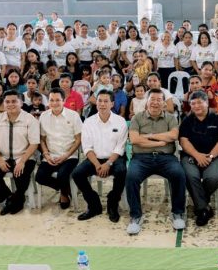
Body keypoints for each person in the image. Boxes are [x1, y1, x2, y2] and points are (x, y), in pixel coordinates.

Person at [125, 88, 186, 235]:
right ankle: (135, 216)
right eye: (153, 99)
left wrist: (148, 136)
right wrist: (158, 143)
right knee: (131, 177)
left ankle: (177, 213)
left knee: (178, 174)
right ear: (147, 101)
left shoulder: (171, 118)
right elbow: (134, 140)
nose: (155, 103)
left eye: (159, 100)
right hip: (141, 158)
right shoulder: (137, 118)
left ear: (164, 103)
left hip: (166, 158)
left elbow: (173, 136)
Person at [72, 89, 128, 222]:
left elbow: (120, 147)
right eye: (100, 101)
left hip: (114, 158)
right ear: (96, 103)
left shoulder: (120, 121)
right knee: (77, 174)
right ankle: (94, 205)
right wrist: (97, 164)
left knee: (122, 171)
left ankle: (112, 204)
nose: (102, 104)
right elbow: (87, 147)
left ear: (112, 104)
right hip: (94, 158)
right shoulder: (88, 122)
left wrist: (108, 163)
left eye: (106, 101)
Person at [0, 90, 41, 215]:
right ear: (3, 103)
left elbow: (34, 144)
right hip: (3, 157)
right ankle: (11, 198)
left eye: (14, 101)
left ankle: (15, 200)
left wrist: (22, 161)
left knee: (21, 176)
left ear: (21, 102)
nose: (10, 104)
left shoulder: (29, 119)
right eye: (7, 102)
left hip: (24, 156)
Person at [179, 91, 218, 227]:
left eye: (200, 102)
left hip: (212, 157)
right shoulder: (187, 121)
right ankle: (203, 210)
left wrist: (210, 156)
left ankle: (199, 200)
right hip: (191, 156)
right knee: (190, 176)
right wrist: (197, 155)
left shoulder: (217, 119)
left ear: (207, 103)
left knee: (213, 178)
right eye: (193, 103)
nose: (196, 106)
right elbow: (184, 141)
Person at [36, 88, 82, 209]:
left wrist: (66, 155)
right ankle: (66, 188)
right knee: (40, 176)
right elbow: (42, 139)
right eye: (51, 100)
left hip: (69, 155)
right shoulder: (44, 116)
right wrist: (46, 154)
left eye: (58, 100)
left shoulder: (73, 115)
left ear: (64, 100)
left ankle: (63, 194)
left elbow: (78, 139)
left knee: (62, 174)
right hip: (50, 155)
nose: (54, 103)